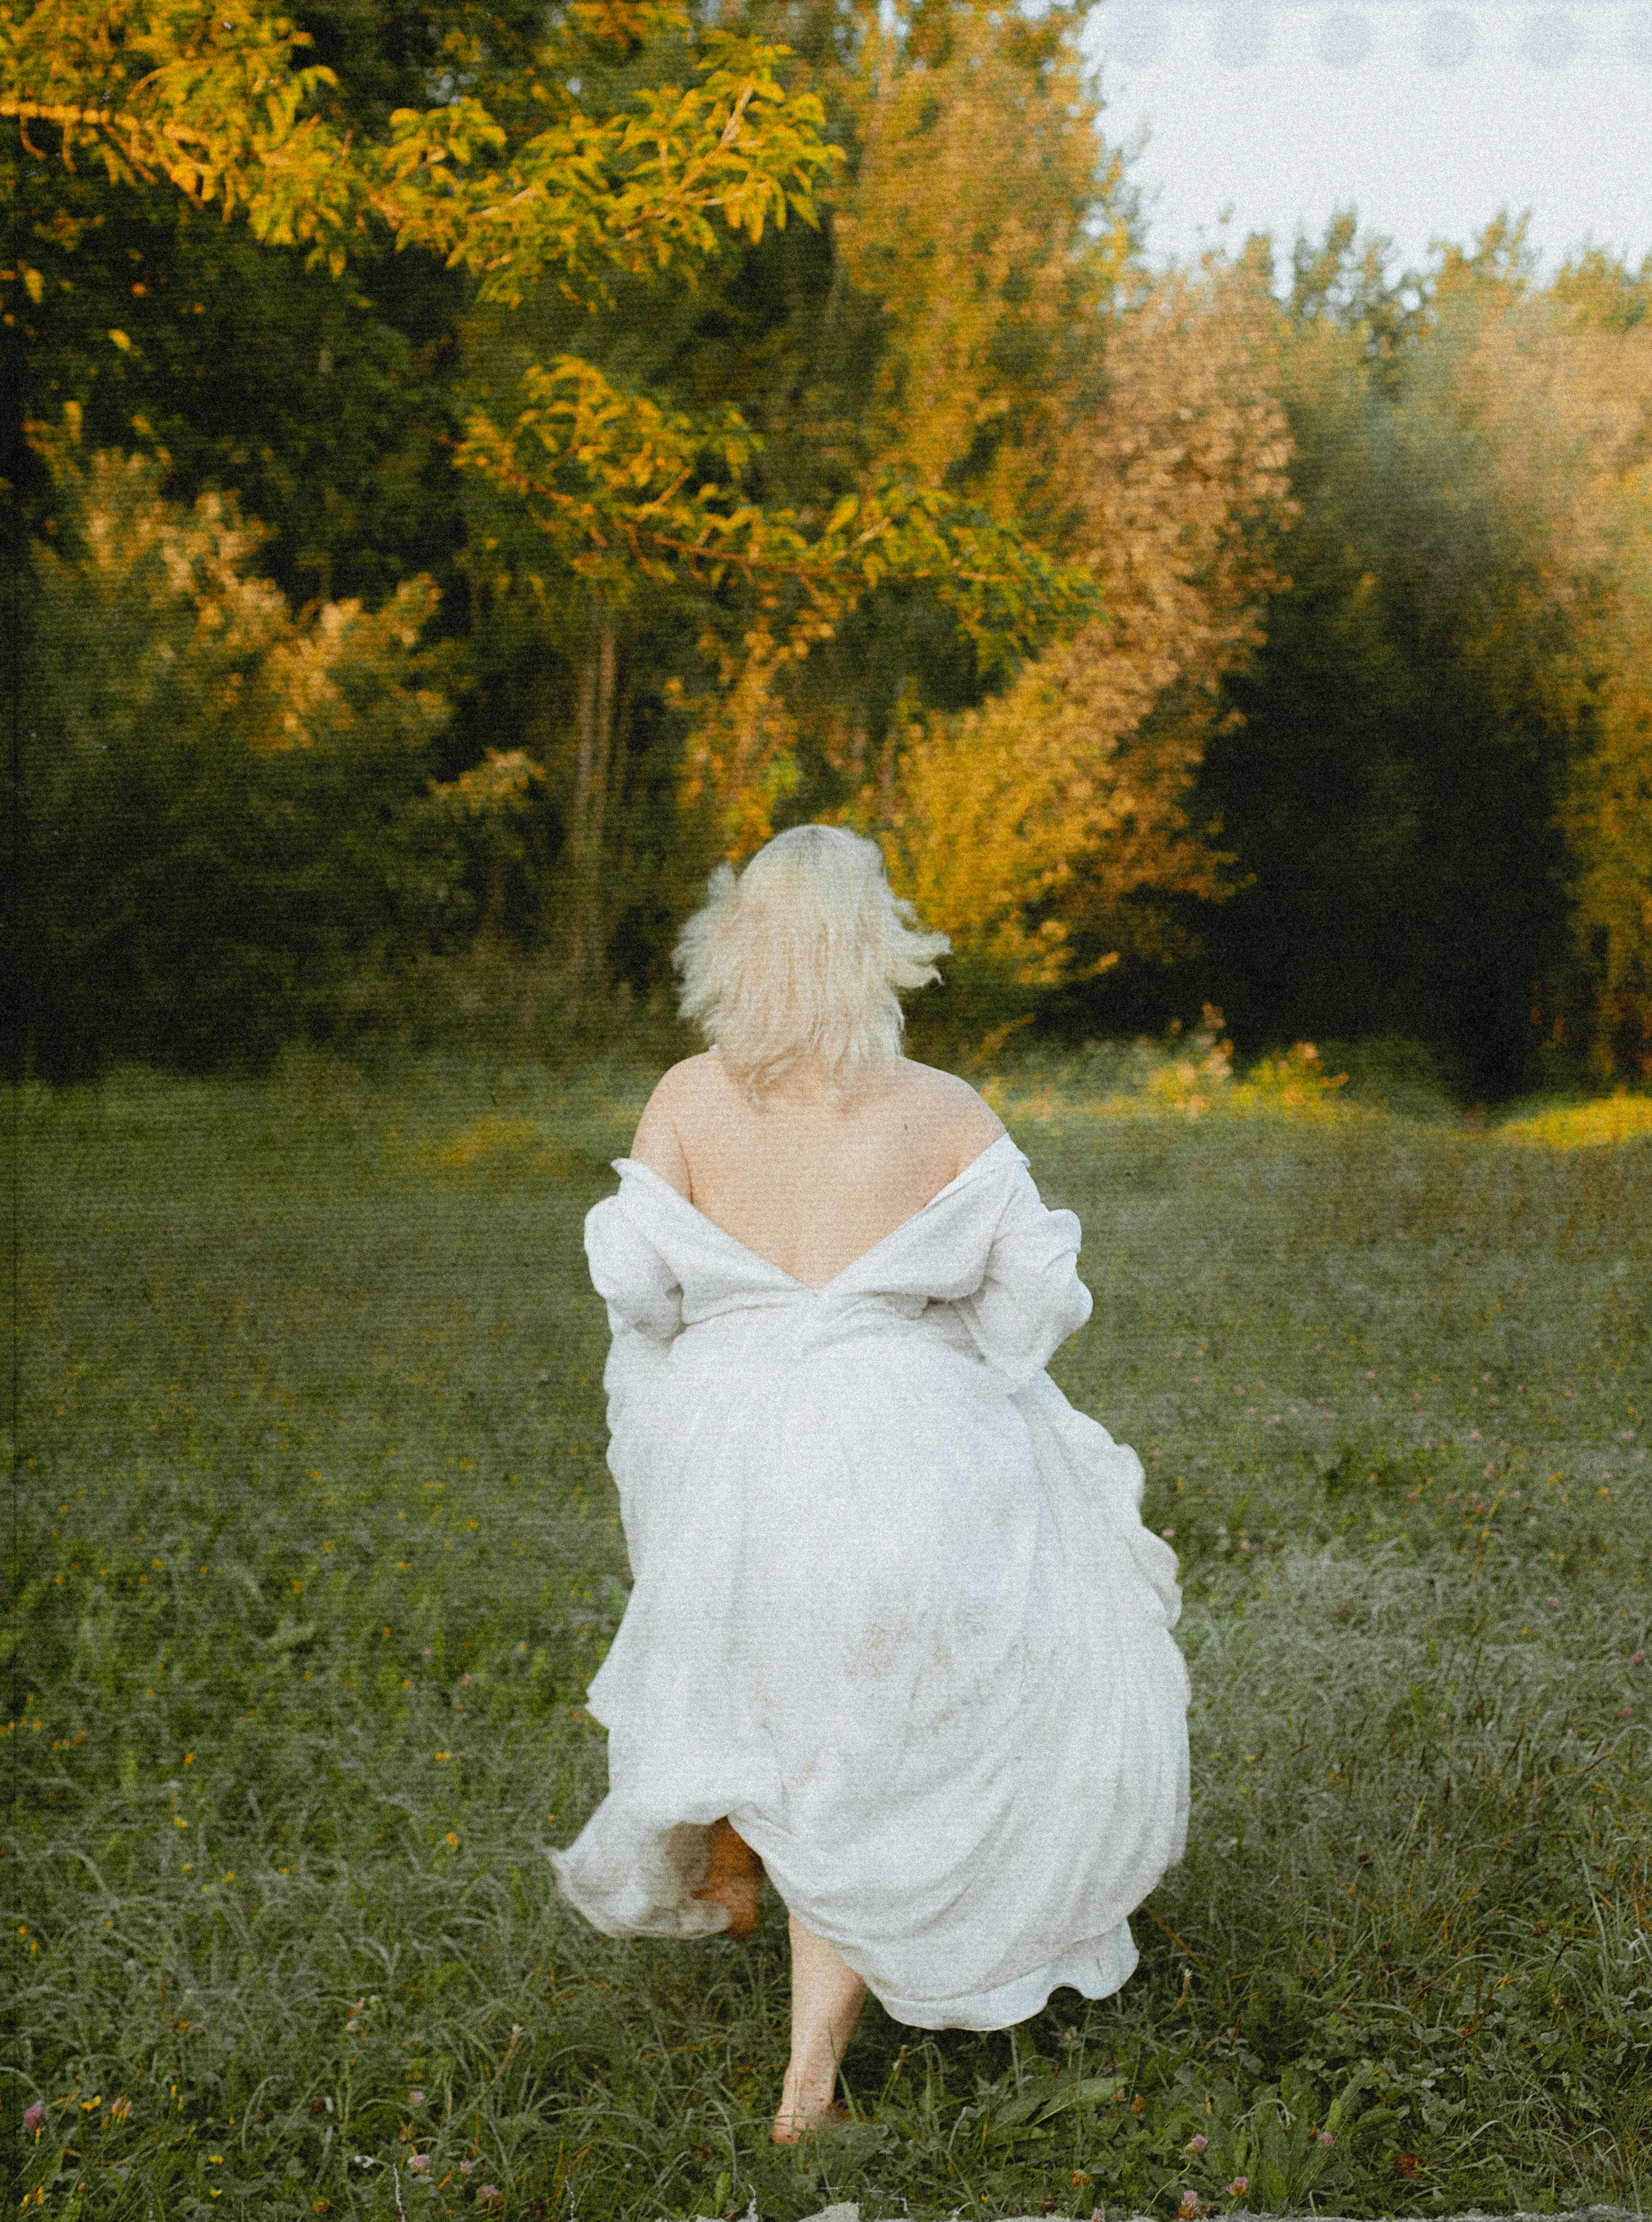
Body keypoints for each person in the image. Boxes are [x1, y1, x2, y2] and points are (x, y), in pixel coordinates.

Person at [550, 824, 1190, 2146]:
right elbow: (1033, 1304)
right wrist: (907, 1309)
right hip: (905, 1444)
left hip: (726, 1445)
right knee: (866, 1729)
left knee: (778, 1678)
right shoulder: (942, 1110)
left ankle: (744, 1873)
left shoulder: (686, 1099)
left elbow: (640, 1292)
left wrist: (746, 1316)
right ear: (874, 946)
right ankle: (805, 2082)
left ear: (740, 945)